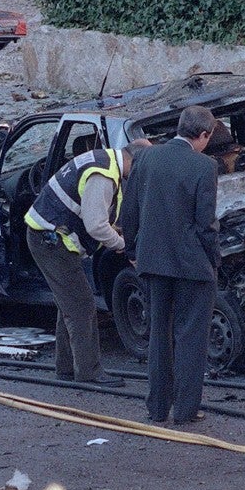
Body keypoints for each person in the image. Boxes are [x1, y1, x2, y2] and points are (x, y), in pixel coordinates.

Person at [120, 106, 222, 424]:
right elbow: (205, 223)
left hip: (152, 262)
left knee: (158, 336)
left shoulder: (146, 158)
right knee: (191, 337)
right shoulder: (205, 166)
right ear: (204, 135)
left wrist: (133, 250)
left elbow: (129, 209)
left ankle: (158, 408)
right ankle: (186, 410)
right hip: (192, 265)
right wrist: (214, 259)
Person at [24, 139, 152, 388]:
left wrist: (117, 230)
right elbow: (96, 226)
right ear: (135, 163)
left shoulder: (104, 161)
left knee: (69, 303)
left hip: (48, 236)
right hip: (51, 241)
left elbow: (97, 214)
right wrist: (122, 245)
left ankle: (66, 367)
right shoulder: (103, 175)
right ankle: (89, 371)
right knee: (82, 306)